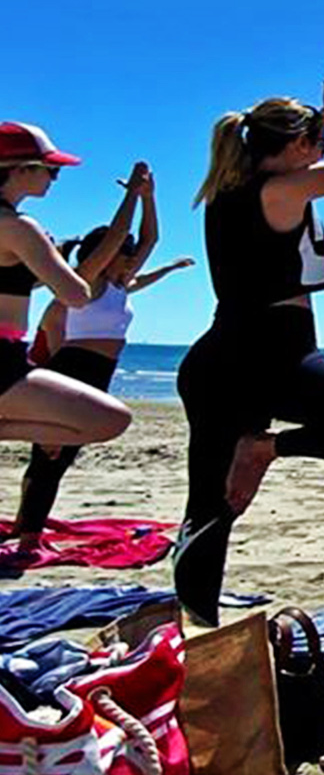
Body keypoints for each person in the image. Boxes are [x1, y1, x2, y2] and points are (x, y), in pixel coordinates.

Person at [174, 64, 324, 625]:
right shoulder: (283, 188)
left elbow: (291, 141)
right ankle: (265, 449)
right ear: (297, 146)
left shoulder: (238, 188)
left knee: (210, 508)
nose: (323, 150)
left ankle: (197, 627)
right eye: (318, 143)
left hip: (223, 358)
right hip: (268, 355)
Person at [9, 173, 192, 558]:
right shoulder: (86, 282)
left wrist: (150, 197)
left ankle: (29, 529)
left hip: (100, 373)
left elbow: (149, 240)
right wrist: (129, 198)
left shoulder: (120, 286)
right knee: (51, 456)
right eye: (122, 252)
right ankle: (27, 539)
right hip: (71, 368)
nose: (129, 254)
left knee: (62, 452)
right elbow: (117, 237)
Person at [0, 125, 136, 542]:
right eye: (49, 170)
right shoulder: (19, 227)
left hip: (10, 355)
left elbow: (20, 283)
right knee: (110, 420)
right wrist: (53, 256)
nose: (54, 179)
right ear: (17, 170)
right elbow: (76, 294)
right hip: (3, 358)